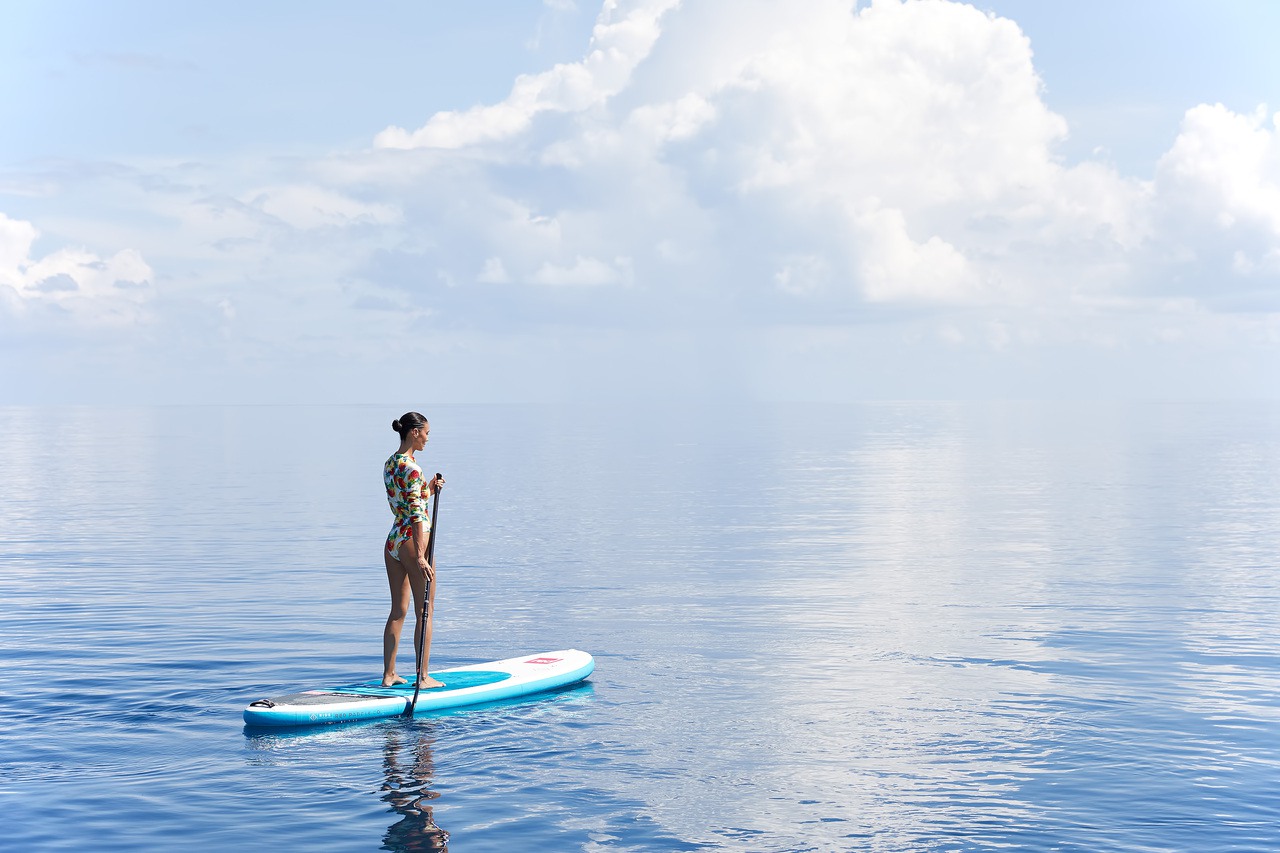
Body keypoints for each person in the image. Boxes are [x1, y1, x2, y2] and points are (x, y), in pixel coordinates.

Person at [382, 411, 445, 689]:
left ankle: (389, 675)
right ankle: (422, 677)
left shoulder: (392, 463)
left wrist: (428, 490)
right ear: (414, 432)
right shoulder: (414, 469)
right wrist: (420, 555)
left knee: (399, 610)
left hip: (394, 540)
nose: (428, 438)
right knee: (425, 611)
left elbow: (408, 500)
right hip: (412, 542)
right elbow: (417, 516)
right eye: (427, 433)